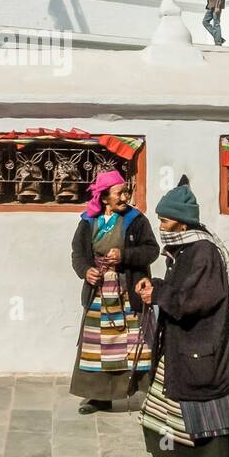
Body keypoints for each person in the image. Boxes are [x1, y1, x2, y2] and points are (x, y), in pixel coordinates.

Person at [135, 178, 229, 457]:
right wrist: (155, 286)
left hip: (200, 350)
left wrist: (160, 293)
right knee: (162, 415)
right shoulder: (184, 250)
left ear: (182, 221)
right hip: (179, 349)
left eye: (164, 219)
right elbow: (179, 291)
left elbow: (198, 300)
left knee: (204, 422)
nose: (161, 225)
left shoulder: (203, 251)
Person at [70, 169, 159, 414]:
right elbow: (77, 253)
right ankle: (99, 397)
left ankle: (147, 395)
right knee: (99, 346)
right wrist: (86, 270)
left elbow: (152, 250)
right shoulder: (88, 221)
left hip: (128, 290)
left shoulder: (137, 220)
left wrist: (125, 256)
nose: (124, 198)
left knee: (134, 343)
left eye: (126, 192)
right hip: (99, 292)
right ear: (104, 198)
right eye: (119, 193)